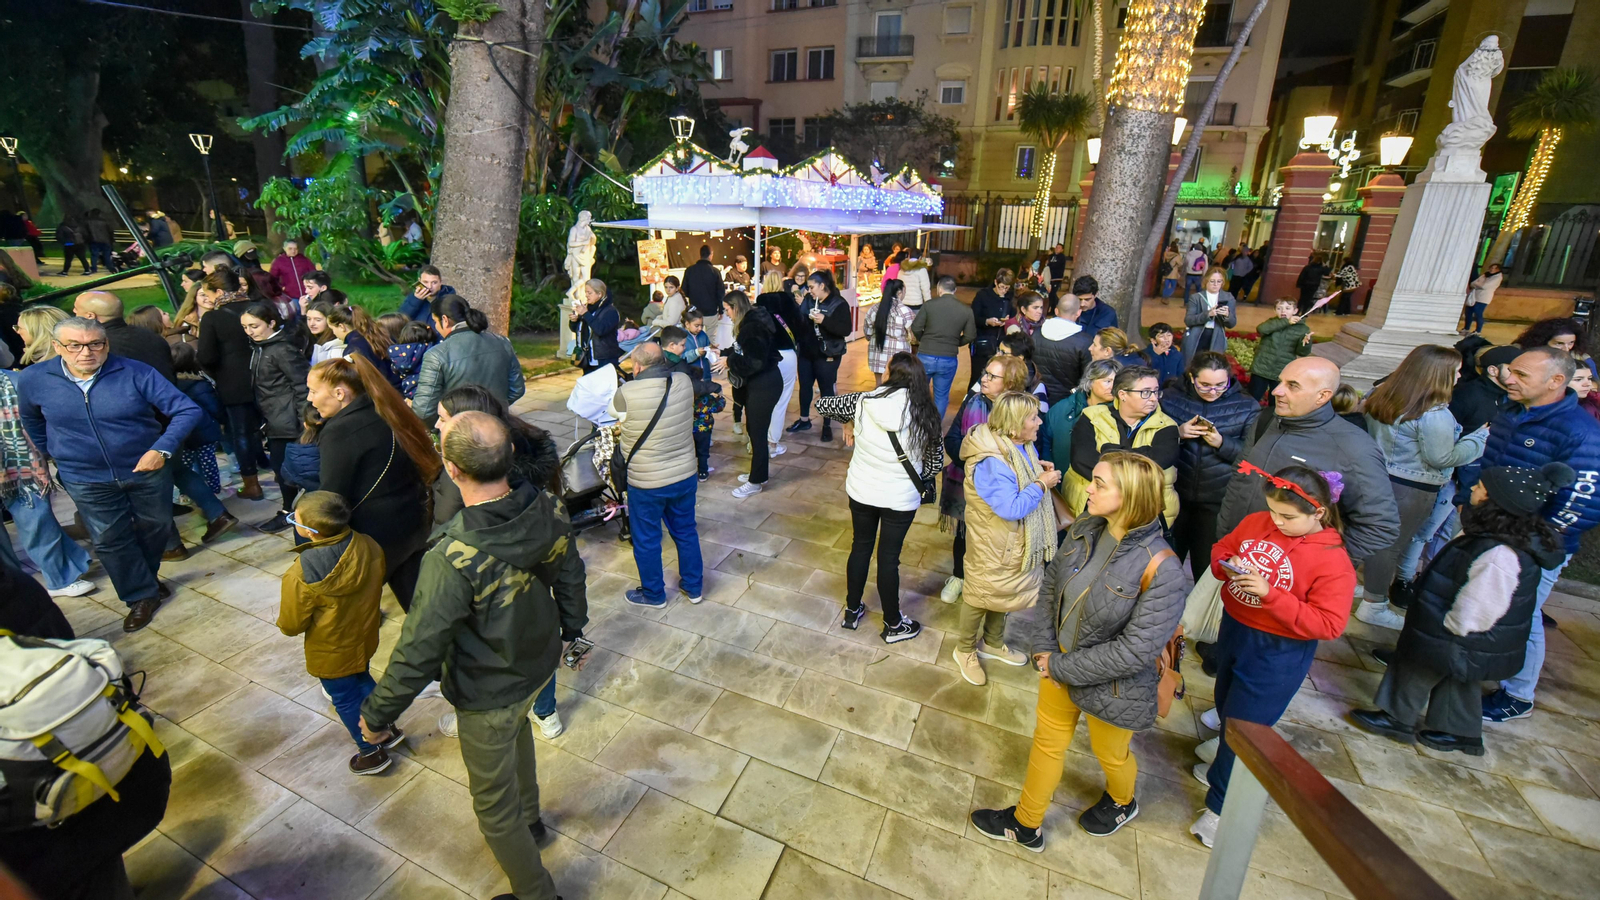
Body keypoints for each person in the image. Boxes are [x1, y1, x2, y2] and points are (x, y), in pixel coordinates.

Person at [358, 412, 587, 900]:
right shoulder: (547, 504)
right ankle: (533, 825)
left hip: (489, 688)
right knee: (519, 733)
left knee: (493, 809)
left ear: (452, 470)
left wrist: (377, 717)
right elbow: (570, 573)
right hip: (537, 661)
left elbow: (419, 649)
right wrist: (573, 629)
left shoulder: (449, 556)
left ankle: (538, 894)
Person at [971, 451, 1188, 845]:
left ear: (1131, 497)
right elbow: (1053, 582)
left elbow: (1134, 651)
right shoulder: (1089, 524)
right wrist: (1043, 648)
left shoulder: (1164, 570)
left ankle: (1123, 801)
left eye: (1100, 484)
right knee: (1047, 745)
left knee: (1112, 756)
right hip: (1058, 664)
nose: (1089, 488)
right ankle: (1025, 822)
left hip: (1113, 687)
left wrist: (1060, 666)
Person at [1352, 463, 1572, 757]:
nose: (1473, 489)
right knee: (1459, 678)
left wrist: (1453, 629)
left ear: (1497, 502)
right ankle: (1459, 732)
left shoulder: (1500, 553)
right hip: (1469, 637)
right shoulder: (1494, 534)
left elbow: (1481, 603)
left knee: (1414, 667)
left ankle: (1395, 718)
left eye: (1481, 487)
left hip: (1460, 631)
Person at [1188, 464, 1355, 847]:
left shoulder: (1332, 560)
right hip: (1235, 629)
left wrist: (1270, 594)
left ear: (1319, 513)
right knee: (1227, 701)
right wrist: (1224, 566)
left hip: (1278, 650)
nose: (1276, 522)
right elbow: (1224, 546)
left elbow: (1328, 624)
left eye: (1288, 517)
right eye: (1272, 511)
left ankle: (1220, 810)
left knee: (1249, 728)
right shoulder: (1259, 521)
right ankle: (1222, 749)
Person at [16, 317, 202, 631]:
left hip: (145, 469)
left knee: (156, 527)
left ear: (106, 344)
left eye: (95, 344)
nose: (86, 352)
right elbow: (32, 422)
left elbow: (187, 409)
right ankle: (140, 596)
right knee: (109, 539)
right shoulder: (35, 379)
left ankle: (142, 579)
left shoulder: (135, 371)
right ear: (58, 347)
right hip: (84, 476)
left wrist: (162, 449)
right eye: (75, 345)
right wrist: (57, 455)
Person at [1467, 346, 1600, 722]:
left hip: (1533, 544)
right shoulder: (1511, 411)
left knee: (1522, 616)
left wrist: (1534, 539)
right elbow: (1487, 464)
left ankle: (1518, 694)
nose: (1508, 377)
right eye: (1511, 370)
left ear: (1556, 381)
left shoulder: (1581, 433)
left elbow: (1584, 503)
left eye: (1521, 375)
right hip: (1490, 530)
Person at [1355, 346, 1488, 630]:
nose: (1459, 376)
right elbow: (1442, 457)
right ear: (1436, 375)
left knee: (1364, 534)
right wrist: (1479, 439)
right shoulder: (1433, 414)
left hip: (1375, 477)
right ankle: (1374, 604)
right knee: (1391, 545)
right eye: (1455, 371)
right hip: (1412, 488)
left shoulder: (1381, 395)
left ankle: (1349, 584)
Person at [1218, 357, 1399, 564]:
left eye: (1292, 386)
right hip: (1235, 556)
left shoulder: (1354, 447)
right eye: (1280, 382)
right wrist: (1225, 535)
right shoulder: (1267, 420)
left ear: (1322, 396)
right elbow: (1240, 476)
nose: (1277, 391)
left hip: (1287, 581)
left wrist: (1311, 565)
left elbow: (1381, 526)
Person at [816, 352, 941, 643]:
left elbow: (822, 404)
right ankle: (893, 624)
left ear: (890, 374)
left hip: (862, 490)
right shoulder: (927, 413)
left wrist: (849, 420)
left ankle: (851, 610)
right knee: (889, 559)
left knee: (860, 546)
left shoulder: (863, 401)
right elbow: (934, 465)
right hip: (900, 498)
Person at [278, 490, 400, 774]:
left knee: (345, 697)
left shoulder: (301, 573)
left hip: (331, 650)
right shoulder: (368, 544)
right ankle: (387, 729)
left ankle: (371, 752)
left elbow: (291, 625)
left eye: (294, 519)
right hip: (364, 635)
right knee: (363, 679)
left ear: (311, 532)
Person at [308, 355, 442, 611]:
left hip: (376, 535)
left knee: (351, 614)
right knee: (420, 605)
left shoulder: (340, 431)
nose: (310, 399)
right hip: (411, 522)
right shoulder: (382, 408)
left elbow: (333, 496)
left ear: (339, 393)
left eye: (313, 391)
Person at [951, 391, 1059, 686]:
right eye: (1033, 418)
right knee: (979, 595)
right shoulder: (991, 461)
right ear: (1014, 425)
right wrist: (1040, 484)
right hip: (994, 541)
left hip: (1011, 542)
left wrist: (1037, 469)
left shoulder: (1018, 443)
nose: (1039, 423)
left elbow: (1019, 475)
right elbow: (1010, 508)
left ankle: (993, 642)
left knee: (1004, 592)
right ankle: (964, 650)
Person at [611, 341, 703, 608]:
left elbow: (612, 414)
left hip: (647, 481)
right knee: (686, 531)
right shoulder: (683, 382)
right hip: (684, 474)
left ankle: (654, 594)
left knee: (647, 538)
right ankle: (693, 587)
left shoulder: (626, 392)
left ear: (637, 366)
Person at [937, 354, 1031, 603]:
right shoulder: (973, 401)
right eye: (985, 373)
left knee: (996, 540)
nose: (984, 379)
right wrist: (975, 466)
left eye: (992, 376)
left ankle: (991, 586)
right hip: (967, 484)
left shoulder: (1022, 412)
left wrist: (986, 466)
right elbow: (953, 439)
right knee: (964, 533)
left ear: (1010, 383)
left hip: (1003, 490)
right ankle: (959, 575)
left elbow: (1025, 452)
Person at [1160, 351, 1260, 577]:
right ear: (1191, 377)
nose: (1212, 391)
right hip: (1174, 496)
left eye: (1220, 385)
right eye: (1204, 385)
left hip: (1217, 500)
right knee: (1166, 564)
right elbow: (1150, 445)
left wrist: (1223, 443)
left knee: (1206, 567)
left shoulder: (1246, 406)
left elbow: (1252, 456)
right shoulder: (1169, 398)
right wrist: (1177, 434)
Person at [0, 367, 94, 599]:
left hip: (19, 465)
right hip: (20, 465)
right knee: (36, 520)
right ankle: (12, 588)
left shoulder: (14, 380)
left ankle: (60, 577)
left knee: (37, 519)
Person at [430, 384, 561, 529]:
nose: (436, 425)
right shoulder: (525, 442)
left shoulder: (460, 471)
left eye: (442, 419)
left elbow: (443, 525)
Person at [1063, 365, 1181, 522]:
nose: (1154, 398)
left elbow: (1157, 462)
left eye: (1155, 391)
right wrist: (1138, 455)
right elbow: (1082, 460)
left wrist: (1107, 451)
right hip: (1092, 508)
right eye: (1146, 392)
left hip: (1144, 513)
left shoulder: (1167, 426)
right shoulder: (1092, 416)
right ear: (1123, 394)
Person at [196, 268, 269, 500]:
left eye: (208, 294)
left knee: (241, 433)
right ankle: (279, 471)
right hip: (267, 377)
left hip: (234, 384)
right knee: (271, 427)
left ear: (219, 291)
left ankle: (252, 484)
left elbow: (206, 356)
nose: (207, 300)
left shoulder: (212, 318)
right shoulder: (259, 308)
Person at [240, 302, 312, 532]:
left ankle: (294, 513)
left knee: (290, 471)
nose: (249, 331)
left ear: (271, 323)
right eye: (245, 327)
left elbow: (303, 386)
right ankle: (291, 511)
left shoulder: (281, 349)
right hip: (274, 419)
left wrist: (305, 422)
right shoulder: (259, 347)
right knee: (281, 470)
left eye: (254, 326)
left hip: (290, 422)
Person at [413, 295, 525, 424]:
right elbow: (517, 389)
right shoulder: (502, 342)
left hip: (460, 432)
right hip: (498, 427)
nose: (435, 327)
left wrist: (444, 423)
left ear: (444, 320)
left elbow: (423, 410)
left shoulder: (436, 355)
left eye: (435, 321)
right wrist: (494, 410)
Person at [717, 290, 782, 498]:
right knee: (754, 430)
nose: (725, 313)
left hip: (765, 384)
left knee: (757, 432)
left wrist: (729, 361)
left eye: (726, 309)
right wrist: (725, 354)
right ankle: (758, 474)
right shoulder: (750, 323)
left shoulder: (752, 327)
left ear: (735, 307)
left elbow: (755, 361)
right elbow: (743, 350)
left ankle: (755, 481)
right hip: (762, 383)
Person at [786, 270, 851, 442]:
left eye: (812, 287)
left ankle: (827, 425)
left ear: (823, 286)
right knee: (805, 386)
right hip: (807, 352)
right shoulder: (808, 300)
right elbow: (799, 321)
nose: (809, 290)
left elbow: (846, 330)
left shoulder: (839, 303)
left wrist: (825, 321)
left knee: (826, 389)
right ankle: (804, 420)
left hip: (828, 354)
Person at [69, 291, 176, 385]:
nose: (74, 311)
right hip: (170, 401)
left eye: (76, 309)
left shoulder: (97, 348)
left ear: (90, 316)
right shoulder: (152, 337)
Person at [912, 274, 977, 422]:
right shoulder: (966, 310)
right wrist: (956, 342)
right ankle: (934, 428)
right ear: (955, 290)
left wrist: (924, 339)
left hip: (925, 355)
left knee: (919, 392)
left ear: (939, 289)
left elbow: (916, 327)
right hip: (948, 357)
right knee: (941, 396)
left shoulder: (929, 305)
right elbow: (970, 335)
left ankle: (917, 423)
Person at [751, 271, 800, 456]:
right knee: (782, 400)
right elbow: (799, 326)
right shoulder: (788, 301)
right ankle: (772, 443)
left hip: (767, 355)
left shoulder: (759, 303)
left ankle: (759, 441)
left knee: (764, 399)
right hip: (786, 354)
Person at [1043, 358, 1120, 475]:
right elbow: (1045, 442)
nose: (1113, 387)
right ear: (1090, 382)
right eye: (1107, 381)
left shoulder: (1121, 411)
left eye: (1116, 382)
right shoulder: (1062, 409)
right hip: (1060, 479)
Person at [1249, 298, 1313, 401]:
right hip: (1262, 368)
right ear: (1275, 311)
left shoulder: (1303, 329)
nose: (1283, 311)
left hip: (1282, 371)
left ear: (1295, 311)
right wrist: (1286, 322)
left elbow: (1302, 352)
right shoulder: (1272, 323)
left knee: (1276, 401)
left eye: (1288, 308)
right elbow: (1261, 329)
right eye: (1279, 308)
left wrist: (1306, 343)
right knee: (1253, 397)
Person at [1030, 292, 1084, 405]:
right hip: (1066, 400)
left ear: (1056, 311)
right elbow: (1086, 377)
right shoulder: (1085, 342)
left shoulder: (1036, 334)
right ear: (1078, 312)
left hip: (1036, 394)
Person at [332, 304, 399, 388]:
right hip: (398, 388)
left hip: (381, 393)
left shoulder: (353, 349)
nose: (333, 333)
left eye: (332, 329)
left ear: (341, 327)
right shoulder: (380, 334)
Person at [969, 269, 1015, 389]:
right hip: (983, 341)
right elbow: (973, 316)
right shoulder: (983, 295)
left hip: (1000, 341)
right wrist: (987, 321)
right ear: (995, 282)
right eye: (1001, 287)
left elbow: (1013, 315)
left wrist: (1007, 320)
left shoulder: (1009, 298)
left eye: (1006, 288)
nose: (1004, 290)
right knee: (978, 375)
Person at [865, 277, 915, 387]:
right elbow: (913, 335)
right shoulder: (905, 311)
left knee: (879, 385)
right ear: (900, 292)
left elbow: (867, 333)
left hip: (877, 349)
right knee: (897, 387)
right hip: (898, 354)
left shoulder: (874, 309)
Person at [1182, 267, 1236, 362]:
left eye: (1219, 281)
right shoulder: (1196, 298)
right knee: (1193, 363)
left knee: (1211, 365)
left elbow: (1232, 323)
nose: (1215, 284)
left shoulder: (1228, 297)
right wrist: (1207, 315)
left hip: (1216, 336)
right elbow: (1188, 320)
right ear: (1206, 281)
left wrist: (1227, 315)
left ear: (1222, 283)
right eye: (1212, 281)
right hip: (1197, 336)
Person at [570, 278, 622, 374]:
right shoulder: (588, 308)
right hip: (588, 358)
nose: (586, 295)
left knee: (602, 388)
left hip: (604, 358)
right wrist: (574, 321)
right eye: (586, 292)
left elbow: (600, 329)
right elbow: (577, 330)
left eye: (590, 293)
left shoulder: (610, 311)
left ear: (599, 294)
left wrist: (586, 314)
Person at [682, 244, 726, 340]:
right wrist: (721, 310)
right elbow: (720, 293)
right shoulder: (715, 271)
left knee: (694, 338)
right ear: (711, 255)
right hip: (711, 311)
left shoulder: (689, 270)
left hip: (694, 311)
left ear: (700, 254)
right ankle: (709, 354)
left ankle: (697, 354)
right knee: (711, 338)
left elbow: (684, 290)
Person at [388, 320, 433, 400]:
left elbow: (394, 369)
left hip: (409, 392)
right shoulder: (430, 349)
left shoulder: (398, 355)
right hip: (429, 389)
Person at [271, 239, 317, 306]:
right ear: (284, 248)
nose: (293, 251)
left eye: (295, 249)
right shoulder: (279, 261)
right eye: (290, 248)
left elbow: (313, 273)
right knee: (296, 314)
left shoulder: (303, 259)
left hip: (307, 294)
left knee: (308, 312)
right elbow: (272, 278)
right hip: (290, 296)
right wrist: (282, 288)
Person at [1462, 262, 1502, 334]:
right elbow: (1473, 283)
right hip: (1474, 296)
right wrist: (1478, 285)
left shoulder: (1497, 277)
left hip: (1483, 298)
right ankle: (1466, 328)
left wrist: (1477, 285)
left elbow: (1485, 286)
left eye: (1494, 268)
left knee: (1478, 313)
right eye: (1491, 267)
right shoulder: (1486, 275)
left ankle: (1478, 331)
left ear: (1498, 270)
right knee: (1468, 312)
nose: (1492, 269)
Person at [83, 208, 115, 273]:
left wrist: (87, 239)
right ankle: (110, 267)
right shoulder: (105, 221)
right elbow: (110, 231)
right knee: (107, 255)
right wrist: (111, 239)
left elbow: (85, 231)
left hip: (94, 240)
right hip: (105, 240)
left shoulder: (88, 222)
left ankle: (94, 268)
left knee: (94, 254)